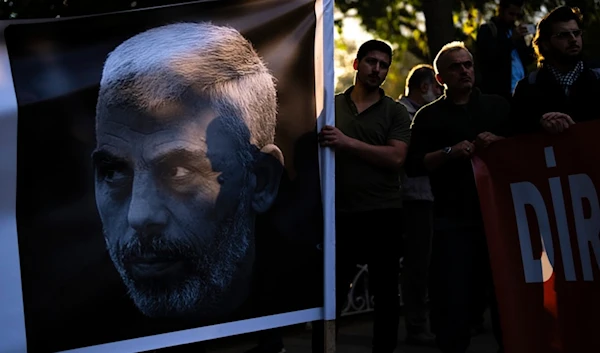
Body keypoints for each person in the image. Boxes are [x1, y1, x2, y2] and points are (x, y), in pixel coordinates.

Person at [93, 22, 285, 324]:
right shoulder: (64, 324)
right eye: (114, 172)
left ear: (260, 182)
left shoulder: (310, 285)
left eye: (178, 171)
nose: (139, 216)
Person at [406, 41, 509, 353]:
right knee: (454, 303)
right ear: (440, 79)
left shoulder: (498, 107)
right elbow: (413, 166)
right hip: (452, 221)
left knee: (506, 300)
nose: (464, 70)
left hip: (501, 219)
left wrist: (500, 143)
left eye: (468, 65)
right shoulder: (427, 117)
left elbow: (525, 148)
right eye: (456, 66)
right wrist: (449, 153)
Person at [314, 39, 411, 353]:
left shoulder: (395, 111)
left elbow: (396, 158)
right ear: (356, 64)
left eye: (383, 65)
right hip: (338, 213)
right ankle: (323, 348)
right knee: (331, 292)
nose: (377, 70)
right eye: (371, 62)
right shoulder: (330, 107)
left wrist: (346, 142)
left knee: (385, 294)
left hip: (383, 212)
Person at [397, 64, 441, 346]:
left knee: (422, 263)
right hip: (413, 197)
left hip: (422, 196)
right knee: (416, 264)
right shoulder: (405, 115)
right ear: (424, 87)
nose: (439, 93)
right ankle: (416, 325)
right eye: (436, 88)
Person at [510, 5, 600, 136]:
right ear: (545, 44)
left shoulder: (597, 78)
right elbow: (515, 136)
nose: (573, 39)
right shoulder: (528, 88)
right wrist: (540, 123)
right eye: (563, 35)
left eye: (576, 33)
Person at [475, 0, 535, 100]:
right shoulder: (488, 30)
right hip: (498, 93)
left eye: (517, 15)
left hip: (520, 91)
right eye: (511, 14)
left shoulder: (515, 31)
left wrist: (534, 42)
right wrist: (511, 40)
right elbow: (489, 58)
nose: (514, 18)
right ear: (501, 10)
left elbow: (526, 60)